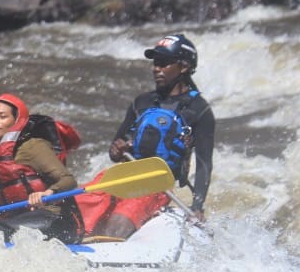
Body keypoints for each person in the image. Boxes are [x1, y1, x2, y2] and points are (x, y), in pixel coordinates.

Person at [80, 33, 215, 237]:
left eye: (163, 63)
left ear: (184, 67)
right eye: (155, 63)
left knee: (117, 224)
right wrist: (118, 149)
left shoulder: (199, 110)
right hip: (123, 175)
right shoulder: (142, 102)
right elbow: (114, 153)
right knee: (76, 208)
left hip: (157, 183)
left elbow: (204, 164)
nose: (156, 68)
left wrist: (198, 206)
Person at [0, 92, 83, 243]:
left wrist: (47, 193)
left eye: (2, 117)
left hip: (53, 219)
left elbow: (68, 180)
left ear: (16, 121)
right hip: (12, 221)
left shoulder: (32, 146)